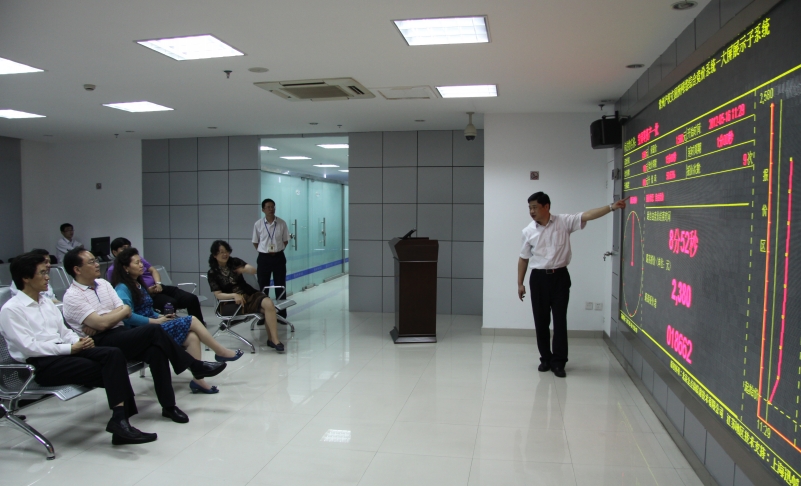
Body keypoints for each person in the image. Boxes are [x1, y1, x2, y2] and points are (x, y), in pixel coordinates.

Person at [0, 252, 157, 445]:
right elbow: (30, 347)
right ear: (25, 278)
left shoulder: (46, 303)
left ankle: (120, 421)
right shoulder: (12, 310)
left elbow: (64, 331)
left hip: (65, 352)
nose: (47, 277)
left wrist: (79, 341)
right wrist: (70, 348)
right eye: (42, 273)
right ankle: (121, 423)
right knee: (110, 369)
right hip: (40, 364)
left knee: (114, 354)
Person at [61, 247, 227, 423]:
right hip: (100, 342)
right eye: (91, 262)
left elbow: (125, 310)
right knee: (154, 330)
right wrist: (110, 318)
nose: (97, 264)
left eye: (95, 260)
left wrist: (106, 318)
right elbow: (106, 322)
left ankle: (169, 406)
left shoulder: (104, 284)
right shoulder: (72, 296)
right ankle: (194, 365)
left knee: (157, 351)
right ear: (77, 269)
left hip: (120, 333)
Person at [517, 192, 628, 378]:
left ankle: (559, 362)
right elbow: (523, 258)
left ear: (546, 206)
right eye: (530, 208)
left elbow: (587, 215)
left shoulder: (563, 222)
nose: (532, 211)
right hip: (538, 279)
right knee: (541, 321)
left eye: (535, 207)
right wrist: (520, 283)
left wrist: (611, 207)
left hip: (560, 277)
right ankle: (545, 359)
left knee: (560, 320)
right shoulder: (528, 231)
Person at [111, 247, 243, 394]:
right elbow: (128, 317)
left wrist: (159, 317)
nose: (142, 265)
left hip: (154, 324)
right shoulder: (122, 289)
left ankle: (198, 381)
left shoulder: (138, 284)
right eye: (137, 263)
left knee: (192, 337)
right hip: (142, 332)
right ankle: (220, 352)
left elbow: (148, 309)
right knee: (192, 319)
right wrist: (154, 321)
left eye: (141, 262)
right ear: (126, 268)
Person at [207, 240, 284, 352]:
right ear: (215, 255)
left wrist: (246, 269)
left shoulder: (235, 262)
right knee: (266, 310)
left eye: (226, 251)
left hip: (248, 293)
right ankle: (271, 340)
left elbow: (253, 270)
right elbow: (218, 295)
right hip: (231, 302)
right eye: (221, 252)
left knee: (269, 304)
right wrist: (233, 295)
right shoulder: (212, 273)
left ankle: (275, 340)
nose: (225, 254)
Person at [106, 237, 205, 324]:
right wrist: (158, 319)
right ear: (115, 252)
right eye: (124, 248)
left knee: (191, 298)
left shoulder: (138, 276)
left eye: (129, 247)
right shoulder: (120, 282)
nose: (141, 265)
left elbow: (153, 270)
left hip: (156, 287)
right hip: (148, 295)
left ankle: (200, 325)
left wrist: (158, 283)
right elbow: (130, 313)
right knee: (171, 303)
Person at [252, 198, 289, 318]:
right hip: (264, 258)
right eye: (268, 207)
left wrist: (277, 250)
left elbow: (285, 240)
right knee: (262, 287)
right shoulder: (258, 224)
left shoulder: (282, 223)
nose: (271, 209)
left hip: (278, 257)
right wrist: (264, 251)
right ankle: (262, 315)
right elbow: (255, 242)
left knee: (280, 286)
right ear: (263, 209)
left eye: (273, 207)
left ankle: (282, 314)